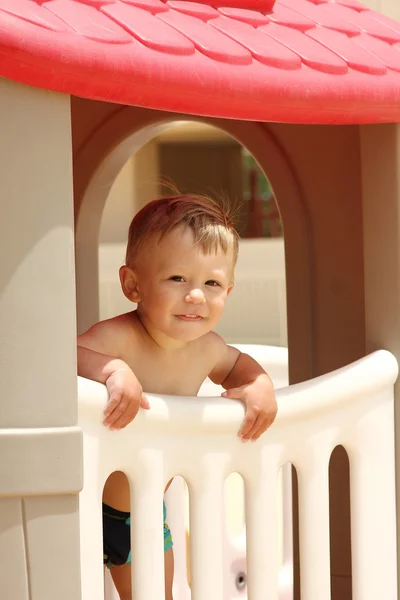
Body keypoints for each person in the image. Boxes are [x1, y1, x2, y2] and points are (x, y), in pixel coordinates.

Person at [77, 194, 278, 600]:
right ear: (133, 284)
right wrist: (112, 369)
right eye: (177, 279)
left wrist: (259, 385)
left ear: (229, 290)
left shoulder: (208, 348)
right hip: (79, 507)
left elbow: (237, 364)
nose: (196, 295)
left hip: (143, 513)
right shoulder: (118, 339)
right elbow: (59, 357)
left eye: (212, 283)